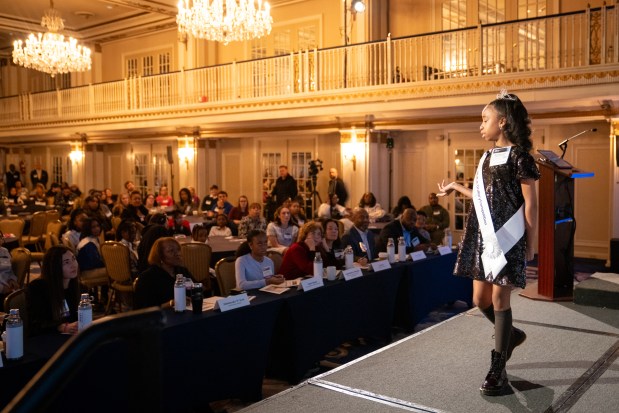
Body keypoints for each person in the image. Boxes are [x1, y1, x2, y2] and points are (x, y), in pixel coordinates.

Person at [437, 90, 539, 396]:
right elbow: (484, 197)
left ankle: (498, 369)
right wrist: (458, 187)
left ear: (503, 122)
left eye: (485, 119)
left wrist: (531, 243)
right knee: (479, 300)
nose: (481, 125)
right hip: (483, 237)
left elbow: (531, 204)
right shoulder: (485, 157)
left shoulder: (520, 156)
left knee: (499, 300)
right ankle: (511, 335)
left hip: (509, 237)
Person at [26, 245, 80, 336]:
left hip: (71, 336)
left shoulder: (77, 287)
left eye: (74, 259)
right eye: (66, 262)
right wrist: (61, 327)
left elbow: (76, 317)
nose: (73, 265)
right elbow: (36, 324)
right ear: (54, 267)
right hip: (46, 338)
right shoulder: (38, 288)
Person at [134, 237, 192, 309]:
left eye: (178, 250)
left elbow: (193, 290)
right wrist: (171, 303)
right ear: (160, 256)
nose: (177, 254)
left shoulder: (182, 271)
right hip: (161, 318)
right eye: (171, 251)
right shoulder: (147, 278)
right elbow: (144, 309)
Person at [0, 231, 18, 303]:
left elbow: (10, 270)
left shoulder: (4, 251)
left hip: (8, 288)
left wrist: (12, 279)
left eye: (0, 237)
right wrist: (1, 288)